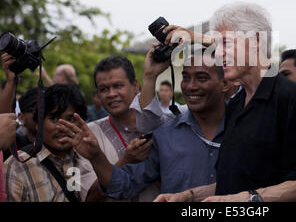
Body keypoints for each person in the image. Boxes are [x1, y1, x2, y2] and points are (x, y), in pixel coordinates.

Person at [154, 2, 296, 202]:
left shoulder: (292, 100)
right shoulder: (237, 104)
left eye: (225, 43)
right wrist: (186, 197)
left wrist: (246, 201)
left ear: (255, 41)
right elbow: (234, 184)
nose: (217, 54)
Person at [57, 47, 231, 199]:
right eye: (185, 78)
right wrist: (97, 157)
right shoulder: (165, 134)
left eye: (201, 78)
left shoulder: (245, 126)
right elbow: (121, 184)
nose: (191, 86)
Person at [3, 84, 96, 202]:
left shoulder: (88, 158)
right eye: (54, 119)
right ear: (38, 123)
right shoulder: (17, 166)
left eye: (71, 119)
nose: (62, 127)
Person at [83, 56, 158, 202]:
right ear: (98, 94)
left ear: (135, 85)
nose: (111, 94)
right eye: (104, 89)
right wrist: (126, 160)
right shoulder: (88, 135)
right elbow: (88, 198)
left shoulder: (160, 125)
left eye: (118, 86)